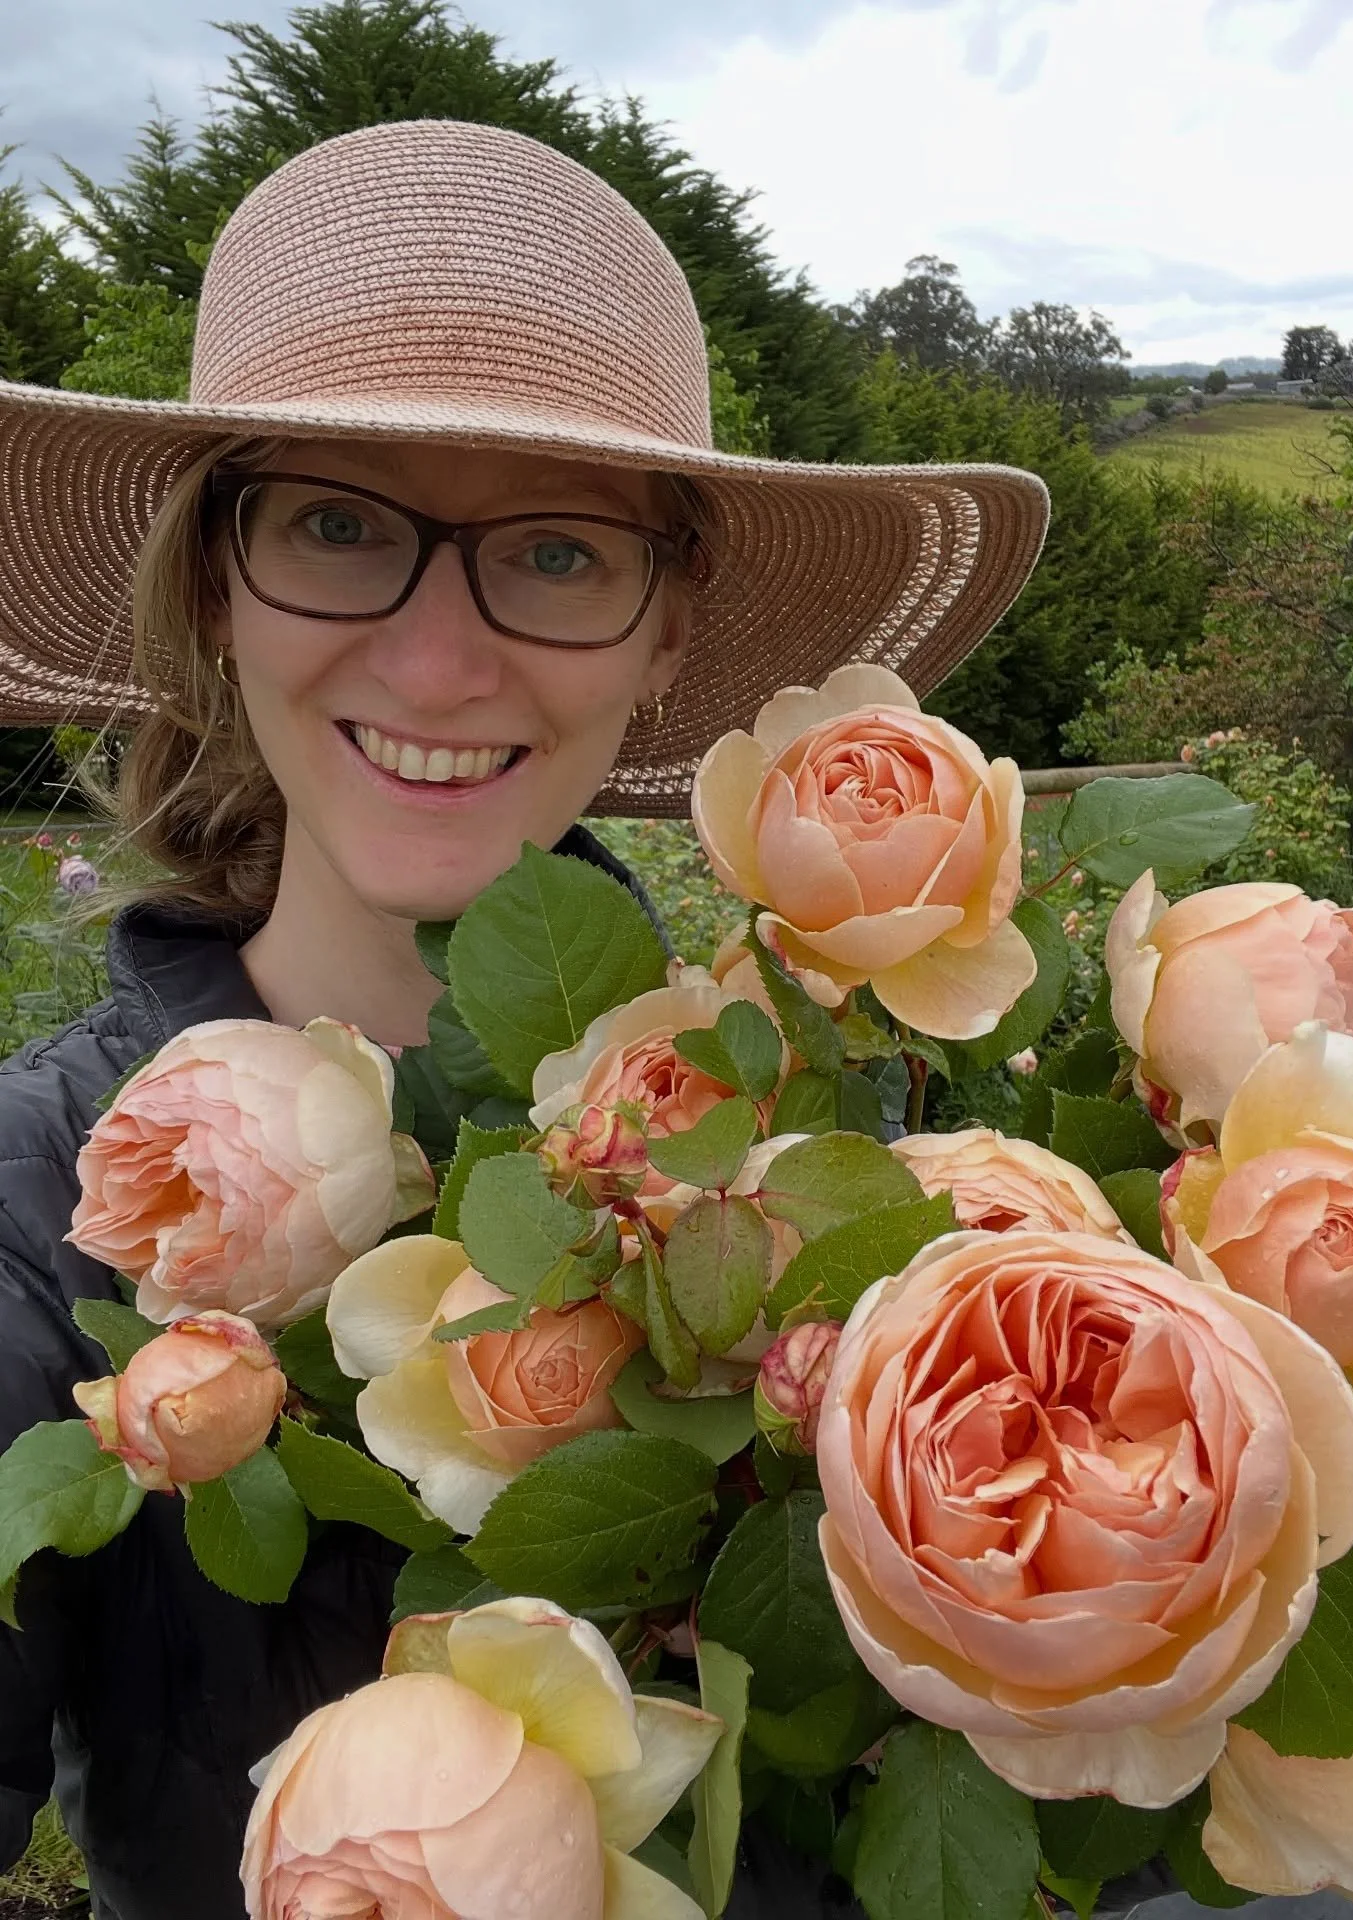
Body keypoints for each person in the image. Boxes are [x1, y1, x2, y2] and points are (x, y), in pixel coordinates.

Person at [0, 119, 1049, 1919]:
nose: (435, 660)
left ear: (665, 631)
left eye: (556, 553)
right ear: (212, 581)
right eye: (337, 526)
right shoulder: (38, 1209)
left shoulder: (853, 1147)